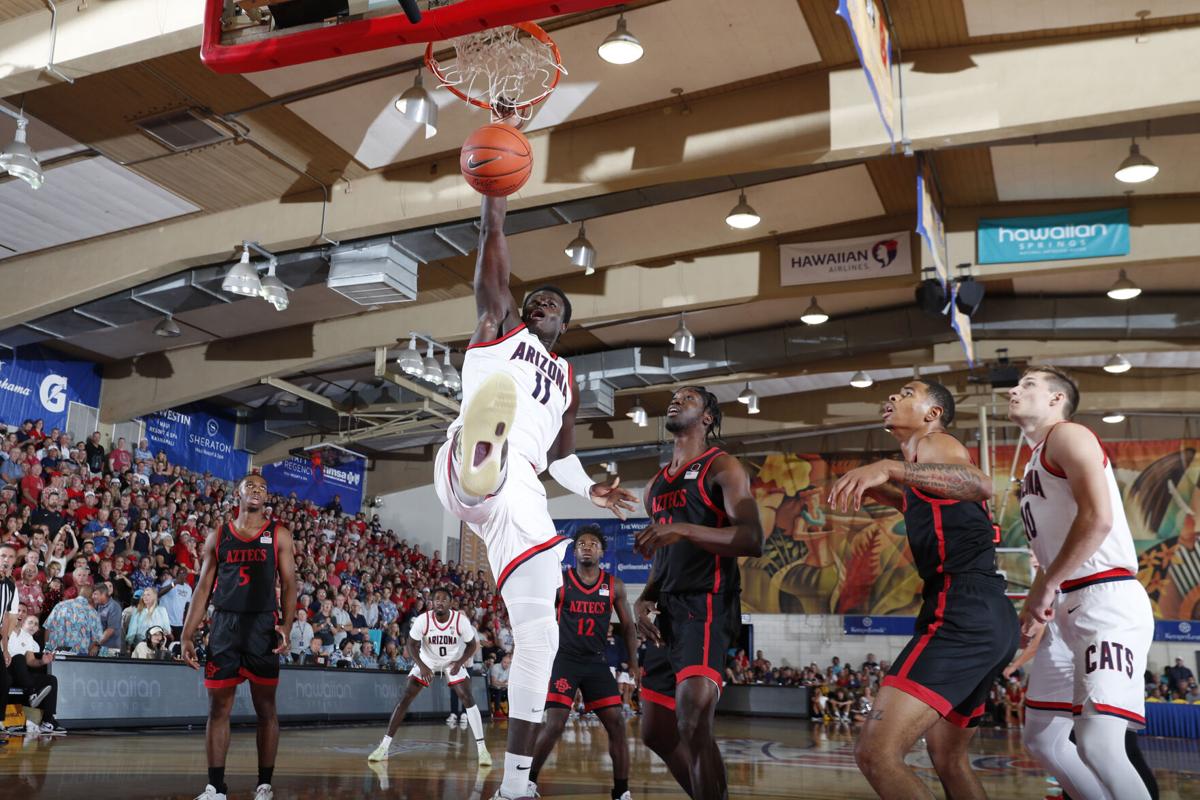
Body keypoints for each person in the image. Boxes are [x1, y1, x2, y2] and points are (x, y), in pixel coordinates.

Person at [432, 192, 636, 800]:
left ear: (564, 325)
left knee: (540, 637)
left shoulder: (568, 381)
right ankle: (478, 452)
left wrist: (591, 489)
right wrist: (496, 197)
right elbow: (491, 252)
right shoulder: (500, 325)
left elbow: (562, 458)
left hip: (517, 497)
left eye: (553, 304)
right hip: (476, 465)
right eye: (535, 298)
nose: (541, 302)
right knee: (497, 455)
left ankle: (516, 782)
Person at [827, 379, 1019, 800]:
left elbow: (979, 484)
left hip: (961, 608)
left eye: (907, 393)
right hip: (989, 613)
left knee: (876, 753)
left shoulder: (936, 443)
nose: (893, 397)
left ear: (932, 414)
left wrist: (889, 468)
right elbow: (931, 501)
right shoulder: (923, 465)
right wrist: (888, 487)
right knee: (948, 758)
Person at [1008, 366, 1155, 800]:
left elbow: (1099, 520)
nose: (1015, 389)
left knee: (1099, 744)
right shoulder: (1034, 458)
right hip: (1065, 606)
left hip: (1106, 598)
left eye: (1029, 384)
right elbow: (1058, 544)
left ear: (1057, 399)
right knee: (1043, 737)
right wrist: (1042, 599)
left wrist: (1044, 587)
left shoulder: (1068, 435)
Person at [633, 386, 763, 800]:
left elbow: (751, 538)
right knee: (655, 732)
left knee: (692, 720)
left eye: (688, 398)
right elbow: (665, 554)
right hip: (667, 609)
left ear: (707, 417)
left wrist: (684, 528)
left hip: (707, 602)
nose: (676, 399)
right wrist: (645, 596)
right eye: (674, 396)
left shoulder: (722, 466)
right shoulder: (656, 484)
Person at [182, 473, 298, 800]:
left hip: (263, 626)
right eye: (251, 486)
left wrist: (286, 626)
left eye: (262, 487)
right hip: (225, 626)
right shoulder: (218, 536)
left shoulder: (279, 535)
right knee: (218, 709)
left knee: (266, 708)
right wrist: (188, 634)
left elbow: (290, 584)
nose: (257, 490)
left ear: (267, 496)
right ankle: (215, 786)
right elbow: (203, 587)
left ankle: (264, 784)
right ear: (239, 493)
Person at [529, 526, 639, 800]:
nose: (587, 546)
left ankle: (622, 791)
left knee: (616, 723)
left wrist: (634, 662)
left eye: (592, 543)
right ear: (574, 551)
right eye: (581, 543)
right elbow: (536, 615)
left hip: (596, 663)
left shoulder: (615, 586)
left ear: (601, 551)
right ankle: (527, 782)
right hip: (565, 660)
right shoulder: (560, 583)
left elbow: (628, 626)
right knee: (554, 724)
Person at [368, 586, 492, 767]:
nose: (440, 602)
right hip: (427, 661)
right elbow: (410, 645)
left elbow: (473, 645)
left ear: (451, 603)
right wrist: (422, 666)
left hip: (452, 662)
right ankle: (384, 746)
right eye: (437, 599)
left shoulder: (460, 621)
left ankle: (482, 750)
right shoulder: (423, 620)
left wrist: (460, 662)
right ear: (432, 602)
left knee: (467, 697)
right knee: (406, 697)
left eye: (444, 599)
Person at [8, 614, 66, 733]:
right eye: (18, 610)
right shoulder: (6, 631)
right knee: (19, 658)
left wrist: (42, 661)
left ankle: (48, 721)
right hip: (7, 671)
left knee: (51, 680)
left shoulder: (27, 637)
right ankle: (32, 693)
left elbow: (30, 661)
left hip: (23, 676)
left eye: (23, 611)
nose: (20, 613)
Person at [0, 541, 19, 746]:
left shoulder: (11, 586)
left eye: (9, 557)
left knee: (4, 681)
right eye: (2, 556)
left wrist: (5, 649)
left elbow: (5, 619)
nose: (5, 560)